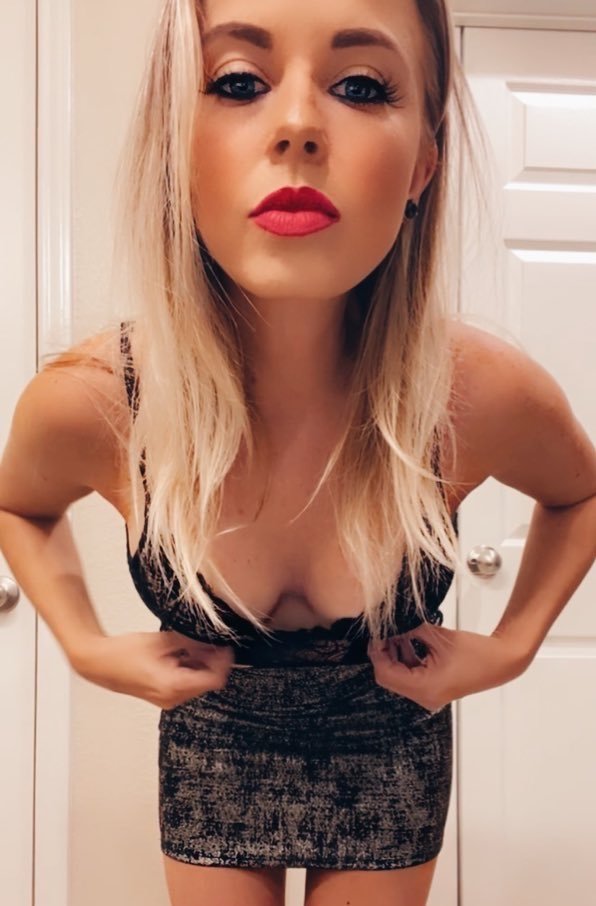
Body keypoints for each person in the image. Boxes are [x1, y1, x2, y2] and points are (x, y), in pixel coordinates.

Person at [1, 0, 595, 904]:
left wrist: (511, 650)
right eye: (239, 81)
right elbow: (19, 504)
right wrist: (84, 647)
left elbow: (581, 495)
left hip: (388, 752)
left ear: (422, 165)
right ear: (175, 142)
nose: (297, 127)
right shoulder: (100, 399)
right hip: (215, 750)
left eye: (360, 86)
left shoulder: (475, 392)